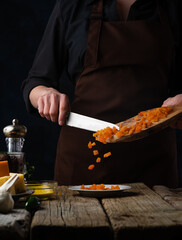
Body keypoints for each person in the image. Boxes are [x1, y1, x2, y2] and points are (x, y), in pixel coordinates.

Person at [22, 0, 182, 188]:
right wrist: (45, 94)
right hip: (83, 163)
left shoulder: (173, 6)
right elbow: (35, 82)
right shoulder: (72, 5)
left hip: (154, 166)